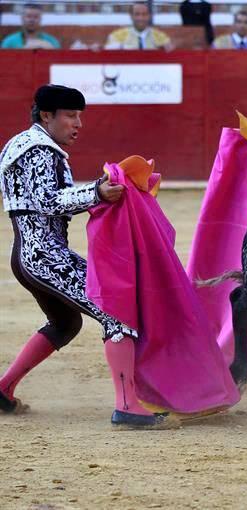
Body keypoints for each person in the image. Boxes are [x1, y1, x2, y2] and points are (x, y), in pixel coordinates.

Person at [0, 85, 178, 429]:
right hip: (45, 257)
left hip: (28, 255)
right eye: (70, 115)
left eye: (79, 116)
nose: (78, 124)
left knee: (65, 323)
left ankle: (4, 388)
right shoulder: (39, 150)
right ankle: (126, 405)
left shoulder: (21, 144)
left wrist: (94, 192)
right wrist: (97, 191)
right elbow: (49, 200)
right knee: (117, 308)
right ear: (46, 116)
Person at [105, 2, 174, 51]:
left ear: (149, 16)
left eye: (144, 14)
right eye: (137, 14)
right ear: (131, 16)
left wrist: (168, 49)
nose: (141, 18)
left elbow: (170, 55)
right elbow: (107, 53)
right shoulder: (118, 35)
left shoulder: (160, 36)